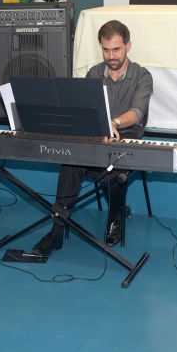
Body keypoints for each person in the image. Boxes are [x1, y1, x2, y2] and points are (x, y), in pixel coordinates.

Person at [32, 20, 153, 256]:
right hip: (97, 134)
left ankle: (116, 218)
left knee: (113, 169)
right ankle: (56, 232)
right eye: (106, 50)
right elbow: (85, 109)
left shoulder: (142, 75)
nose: (111, 55)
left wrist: (114, 122)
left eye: (116, 49)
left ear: (128, 45)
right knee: (69, 163)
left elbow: (137, 112)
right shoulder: (94, 73)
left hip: (126, 133)